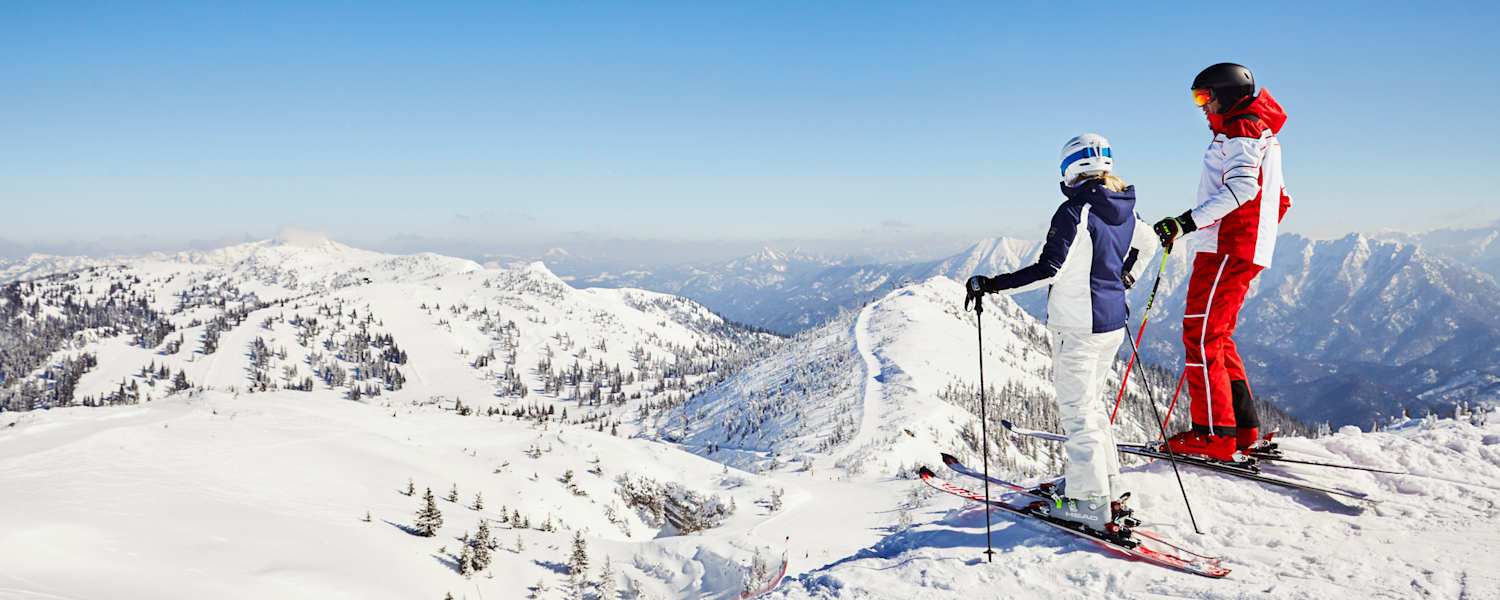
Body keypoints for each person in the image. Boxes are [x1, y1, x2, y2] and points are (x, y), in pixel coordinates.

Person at [965, 133, 1158, 529]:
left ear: (1070, 169)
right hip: (1110, 323)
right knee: (1093, 406)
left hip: (1078, 326)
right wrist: (1129, 276)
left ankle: (1089, 503)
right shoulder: (1123, 206)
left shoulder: (1075, 211)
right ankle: (1106, 486)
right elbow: (1150, 241)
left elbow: (1049, 268)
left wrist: (991, 284)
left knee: (1078, 414)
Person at [1152, 63, 1290, 461]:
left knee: (1199, 334)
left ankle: (1213, 435)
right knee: (1217, 335)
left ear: (1226, 94)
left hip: (1227, 246)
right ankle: (1241, 430)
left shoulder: (1242, 129)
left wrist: (1187, 222)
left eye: (1204, 96)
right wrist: (1257, 236)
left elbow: (1244, 187)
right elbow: (1281, 198)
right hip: (1238, 244)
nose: (1201, 107)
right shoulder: (1257, 130)